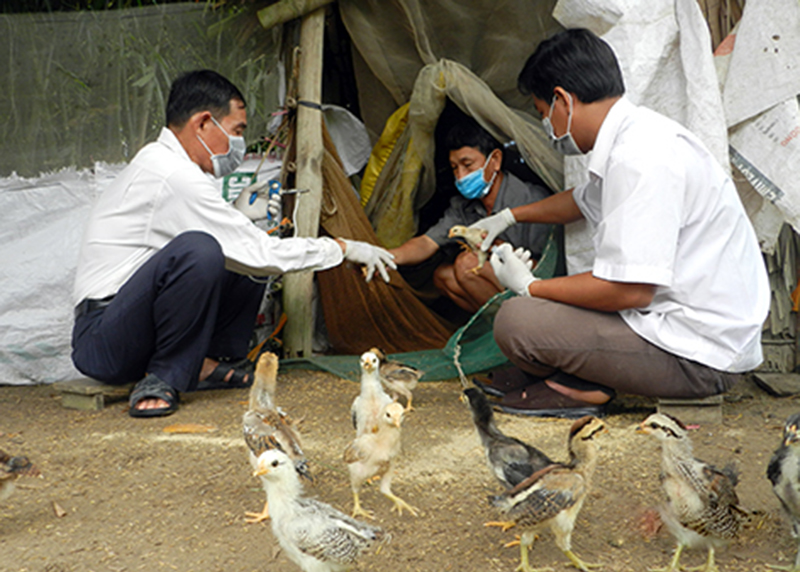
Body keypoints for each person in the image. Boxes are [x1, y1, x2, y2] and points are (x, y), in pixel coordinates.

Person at [469, 28, 769, 417]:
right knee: (537, 316)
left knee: (516, 321)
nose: (547, 126)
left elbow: (630, 291)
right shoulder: (637, 137)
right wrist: (507, 216)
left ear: (563, 100)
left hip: (698, 355)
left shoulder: (639, 157)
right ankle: (576, 375)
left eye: (544, 114)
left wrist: (530, 286)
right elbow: (579, 201)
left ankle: (584, 389)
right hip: (691, 331)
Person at [71, 70, 395, 418]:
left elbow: (245, 249)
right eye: (237, 130)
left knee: (238, 253)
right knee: (205, 250)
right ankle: (163, 374)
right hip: (103, 342)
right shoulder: (171, 174)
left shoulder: (171, 167)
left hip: (129, 328)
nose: (238, 144)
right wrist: (343, 249)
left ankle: (212, 361)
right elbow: (257, 254)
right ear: (203, 123)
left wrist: (238, 217)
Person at [389, 119, 551, 314]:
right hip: (500, 283)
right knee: (443, 276)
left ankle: (523, 321)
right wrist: (387, 257)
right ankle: (493, 328)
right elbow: (426, 243)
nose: (460, 176)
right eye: (454, 168)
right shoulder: (463, 207)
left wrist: (501, 251)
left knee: (467, 264)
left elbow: (551, 264)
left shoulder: (531, 199)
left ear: (495, 160)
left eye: (467, 165)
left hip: (536, 286)